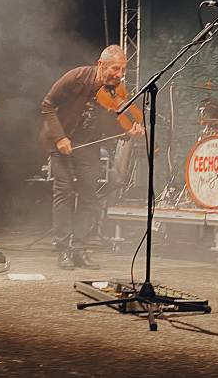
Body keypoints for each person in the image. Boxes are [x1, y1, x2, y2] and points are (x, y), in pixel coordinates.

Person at [40, 45, 144, 269]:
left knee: (89, 197)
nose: (119, 74)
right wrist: (60, 138)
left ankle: (79, 248)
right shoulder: (76, 77)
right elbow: (47, 105)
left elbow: (111, 126)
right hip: (61, 141)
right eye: (115, 69)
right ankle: (62, 249)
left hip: (88, 145)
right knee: (64, 191)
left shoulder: (116, 90)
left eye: (123, 69)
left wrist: (128, 133)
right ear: (100, 65)